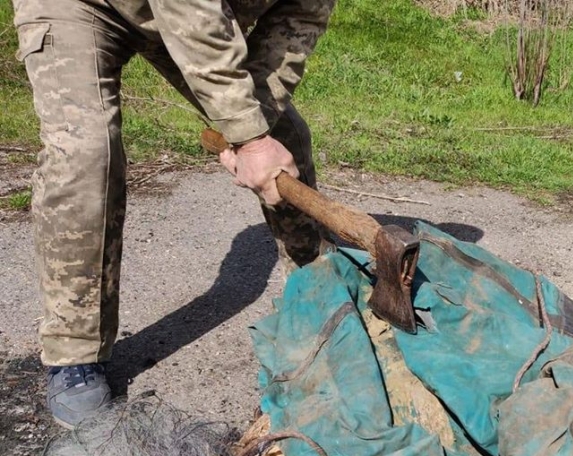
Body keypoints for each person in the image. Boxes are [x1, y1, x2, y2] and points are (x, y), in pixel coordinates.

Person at [12, 0, 337, 428]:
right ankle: (74, 352)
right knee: (86, 156)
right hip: (80, 6)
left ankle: (322, 294)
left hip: (188, 19)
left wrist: (250, 132)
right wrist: (250, 138)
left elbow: (296, 24)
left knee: (282, 135)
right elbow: (188, 9)